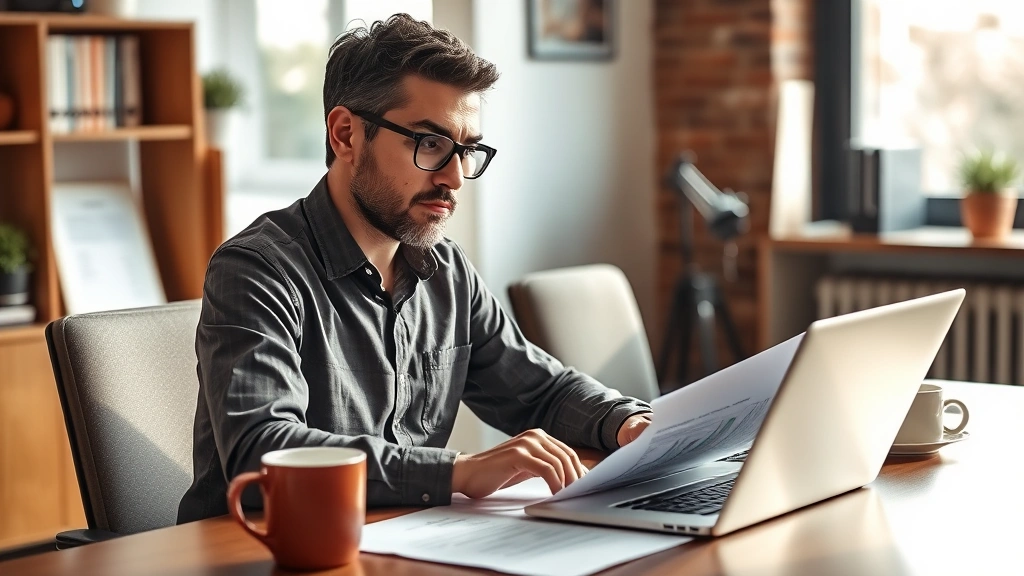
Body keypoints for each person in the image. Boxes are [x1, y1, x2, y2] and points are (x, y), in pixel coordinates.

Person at [177, 13, 652, 524]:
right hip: (263, 550)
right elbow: (263, 452)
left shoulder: (447, 270)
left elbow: (541, 390)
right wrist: (457, 472)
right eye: (430, 144)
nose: (454, 177)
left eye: (466, 151)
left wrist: (632, 425)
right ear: (345, 136)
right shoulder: (256, 269)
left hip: (402, 545)